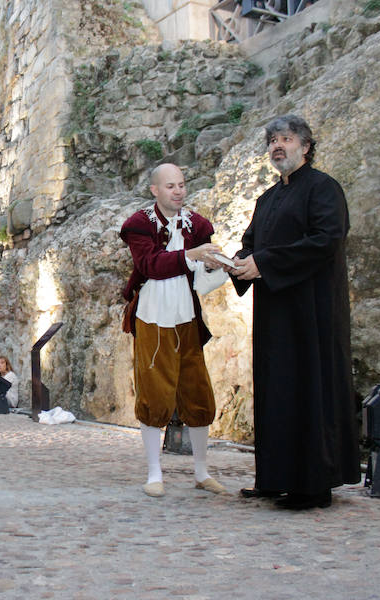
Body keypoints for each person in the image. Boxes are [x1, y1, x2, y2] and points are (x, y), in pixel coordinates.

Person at [229, 115, 359, 510]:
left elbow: (325, 240)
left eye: (286, 139)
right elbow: (251, 242)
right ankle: (275, 478)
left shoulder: (324, 189)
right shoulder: (267, 199)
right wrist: (236, 262)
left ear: (305, 146)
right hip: (274, 311)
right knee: (276, 389)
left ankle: (312, 485)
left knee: (308, 387)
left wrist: (264, 263)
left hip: (312, 311)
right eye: (271, 141)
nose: (277, 146)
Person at [119, 162, 226, 499]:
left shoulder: (198, 224)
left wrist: (213, 261)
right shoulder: (138, 225)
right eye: (170, 186)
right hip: (152, 316)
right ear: (155, 190)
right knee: (154, 392)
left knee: (197, 391)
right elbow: (150, 265)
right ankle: (154, 472)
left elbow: (202, 267)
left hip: (186, 316)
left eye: (181, 184)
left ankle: (201, 471)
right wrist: (190, 254)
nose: (179, 191)